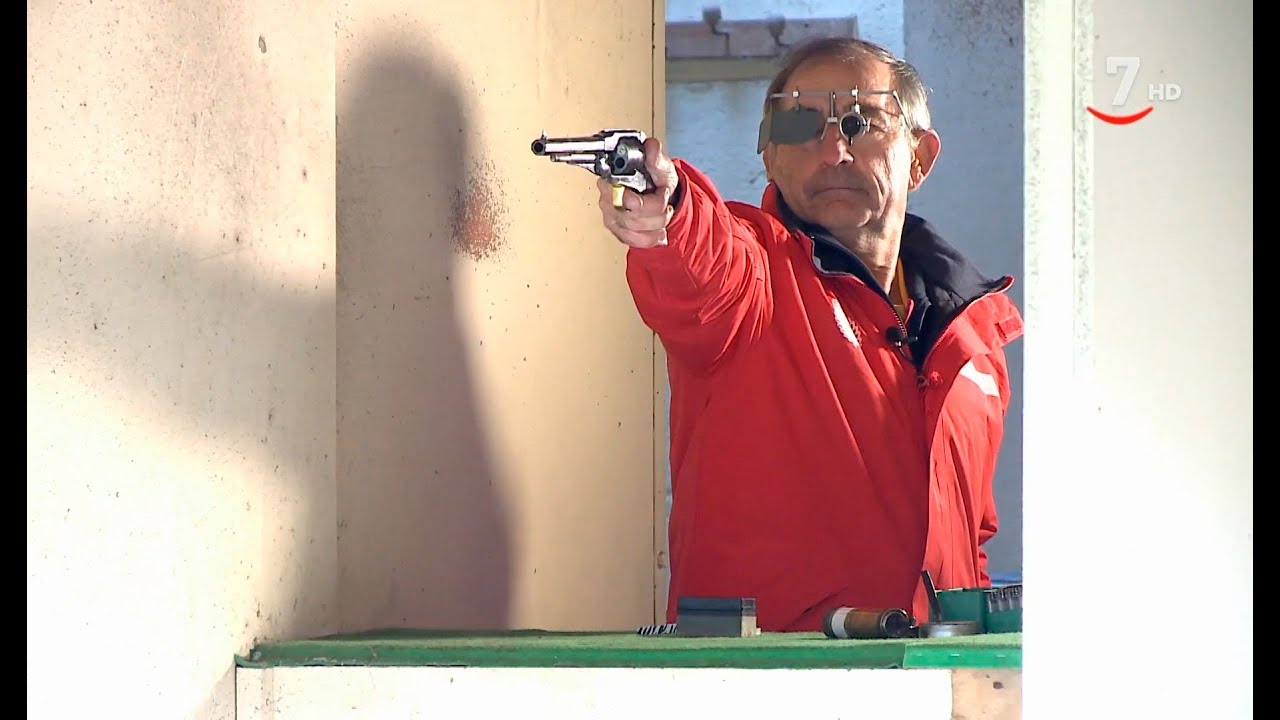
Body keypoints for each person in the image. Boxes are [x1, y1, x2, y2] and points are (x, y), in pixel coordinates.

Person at [596, 36, 1024, 633]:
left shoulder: (973, 336)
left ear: (920, 158)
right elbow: (704, 259)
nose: (832, 149)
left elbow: (969, 538)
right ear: (769, 158)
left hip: (930, 680)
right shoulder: (755, 276)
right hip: (768, 684)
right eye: (799, 125)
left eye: (861, 121)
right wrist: (669, 211)